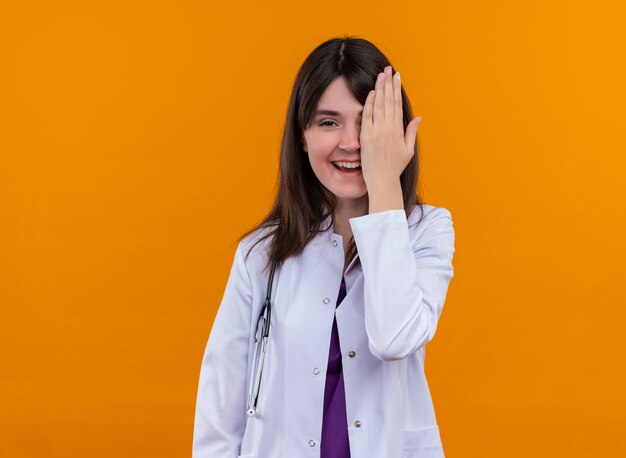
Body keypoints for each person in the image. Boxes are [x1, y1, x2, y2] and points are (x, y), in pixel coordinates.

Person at [192, 36, 455, 458]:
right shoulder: (260, 254)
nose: (351, 143)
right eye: (329, 122)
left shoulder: (426, 231)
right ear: (302, 135)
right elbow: (219, 413)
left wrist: (384, 182)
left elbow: (395, 338)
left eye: (368, 123)